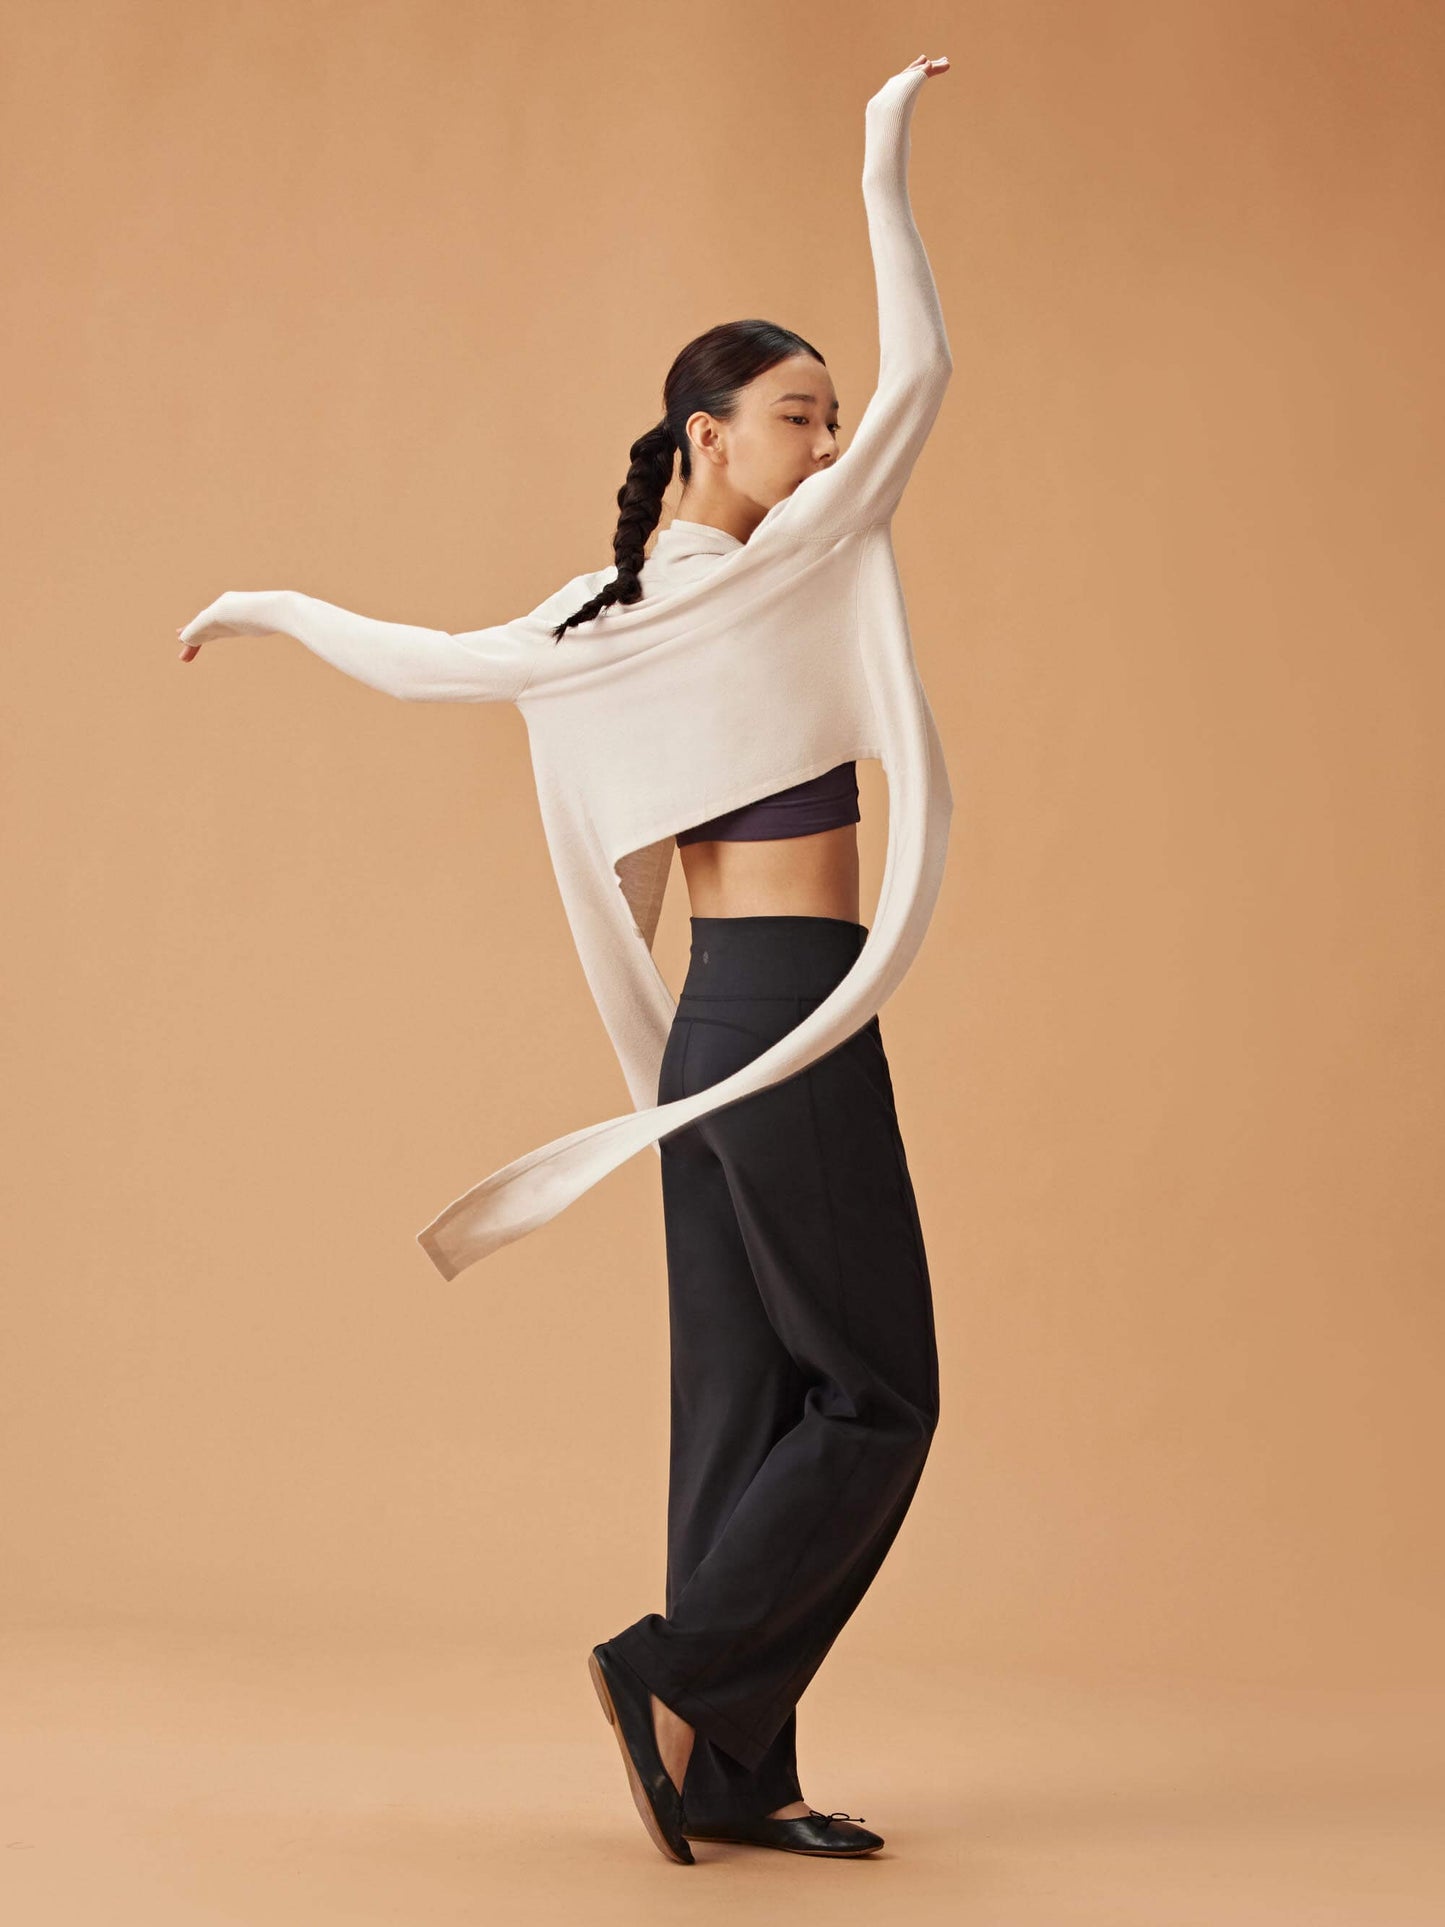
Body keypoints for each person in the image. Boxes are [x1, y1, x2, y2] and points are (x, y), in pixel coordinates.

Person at [178, 51, 952, 1864]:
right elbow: (933, 377)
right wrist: (877, 154)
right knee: (879, 1391)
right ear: (704, 436)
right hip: (781, 1018)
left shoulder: (619, 610)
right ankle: (671, 1667)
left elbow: (425, 653)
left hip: (714, 1034)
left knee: (740, 1395)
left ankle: (725, 1774)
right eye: (795, 416)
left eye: (829, 421)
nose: (831, 446)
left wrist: (267, 607)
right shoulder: (731, 580)